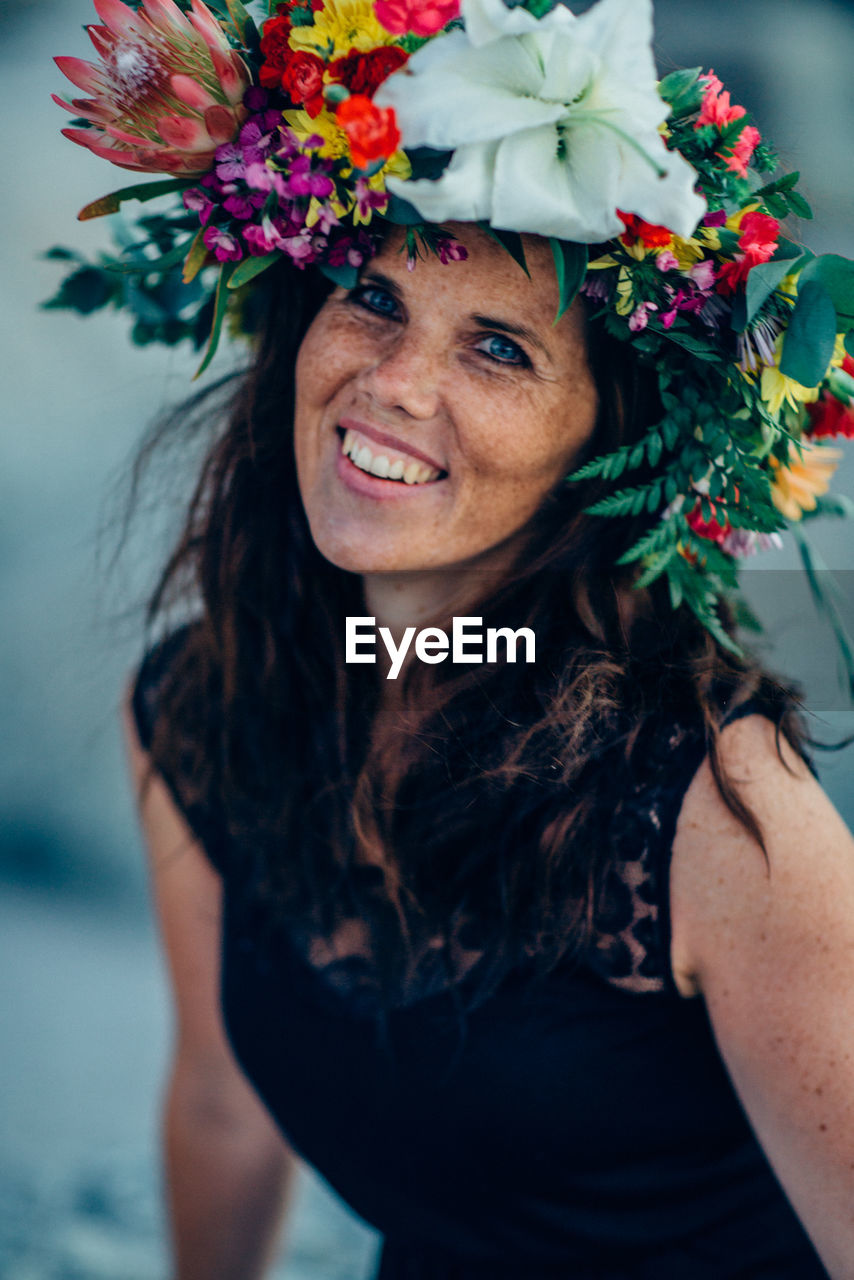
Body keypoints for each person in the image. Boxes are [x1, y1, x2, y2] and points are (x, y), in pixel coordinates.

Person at [47, 0, 854, 1275]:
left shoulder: (716, 814)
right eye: (371, 295)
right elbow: (218, 1099)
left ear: (602, 440)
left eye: (497, 346)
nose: (394, 382)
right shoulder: (206, 704)